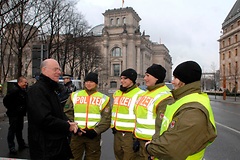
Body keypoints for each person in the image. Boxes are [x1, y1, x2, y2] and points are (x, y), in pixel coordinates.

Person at [145, 61, 217, 160]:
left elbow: (170, 148)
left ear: (184, 80)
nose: (173, 82)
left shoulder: (193, 110)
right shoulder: (182, 99)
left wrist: (150, 148)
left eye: (175, 78)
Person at [27, 58, 78, 160]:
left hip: (54, 146)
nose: (59, 72)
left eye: (59, 69)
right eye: (55, 69)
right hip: (45, 148)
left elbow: (57, 112)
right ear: (44, 70)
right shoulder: (37, 90)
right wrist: (67, 126)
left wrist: (69, 123)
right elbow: (44, 119)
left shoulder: (50, 89)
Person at [64, 72, 111, 160]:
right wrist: (74, 126)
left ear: (96, 83)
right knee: (73, 157)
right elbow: (67, 112)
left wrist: (96, 131)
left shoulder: (103, 98)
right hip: (77, 134)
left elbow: (106, 119)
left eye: (91, 82)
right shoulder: (75, 95)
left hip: (93, 135)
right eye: (87, 81)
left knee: (92, 158)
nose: (88, 84)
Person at [133, 64, 174, 160]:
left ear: (156, 78)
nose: (145, 78)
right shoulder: (145, 93)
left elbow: (163, 126)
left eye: (147, 75)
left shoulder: (165, 96)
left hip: (151, 144)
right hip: (140, 140)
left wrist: (155, 148)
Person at [111, 68, 144, 160]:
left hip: (130, 134)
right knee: (118, 155)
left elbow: (141, 115)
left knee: (130, 157)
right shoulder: (117, 93)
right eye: (121, 78)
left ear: (132, 80)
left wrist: (137, 136)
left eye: (125, 78)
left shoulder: (140, 94)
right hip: (117, 132)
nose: (122, 81)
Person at [3, 76, 28, 154]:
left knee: (19, 129)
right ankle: (11, 147)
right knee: (12, 130)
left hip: (19, 114)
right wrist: (12, 109)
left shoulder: (22, 90)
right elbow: (5, 101)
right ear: (19, 82)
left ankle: (21, 144)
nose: (26, 84)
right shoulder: (14, 91)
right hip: (14, 114)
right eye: (25, 82)